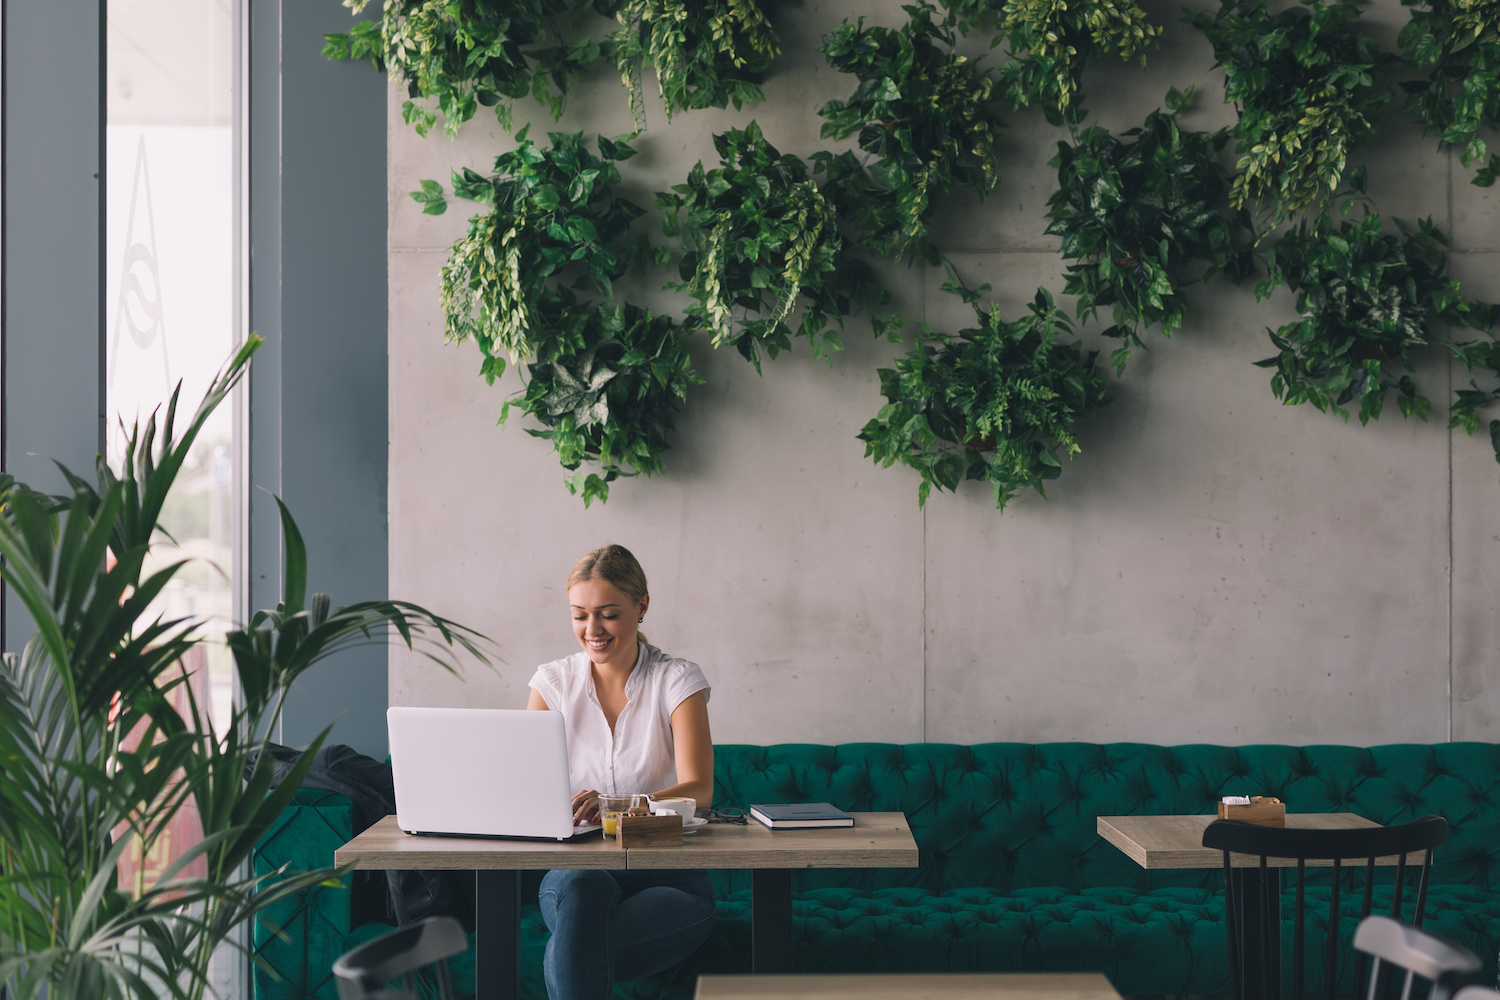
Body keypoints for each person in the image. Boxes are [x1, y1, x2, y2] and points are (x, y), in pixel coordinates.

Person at [526, 544, 716, 1000]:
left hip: (669, 876)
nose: (592, 630)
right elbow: (527, 792)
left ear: (642, 606)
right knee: (582, 885)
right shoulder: (551, 684)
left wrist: (619, 806)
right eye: (579, 615)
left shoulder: (677, 681)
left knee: (573, 946)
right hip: (573, 875)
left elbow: (701, 791)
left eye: (608, 614)